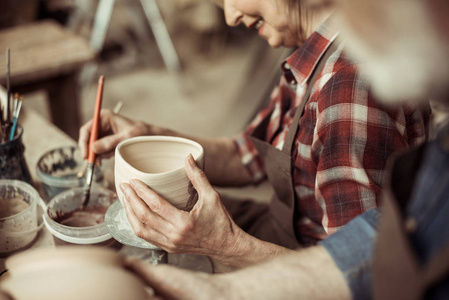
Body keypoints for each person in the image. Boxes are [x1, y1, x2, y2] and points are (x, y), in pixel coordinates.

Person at [122, 0, 449, 299]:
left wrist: (223, 246)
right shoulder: (311, 54)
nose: (231, 16)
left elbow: (365, 277)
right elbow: (247, 156)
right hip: (285, 229)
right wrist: (149, 135)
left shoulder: (345, 92)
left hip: (307, 261)